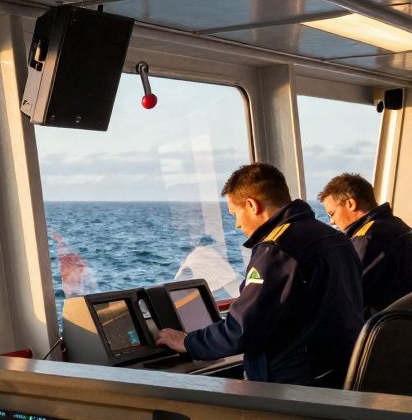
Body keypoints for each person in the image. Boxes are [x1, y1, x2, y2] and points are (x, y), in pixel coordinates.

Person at [155, 163, 363, 387]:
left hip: (293, 386)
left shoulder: (278, 251)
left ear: (251, 205)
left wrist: (188, 342)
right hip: (339, 372)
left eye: (235, 214)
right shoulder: (335, 239)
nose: (237, 224)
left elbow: (241, 329)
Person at [317, 172, 412, 315]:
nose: (332, 221)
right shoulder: (396, 225)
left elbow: (345, 293)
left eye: (332, 214)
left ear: (350, 204)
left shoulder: (367, 238)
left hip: (384, 323)